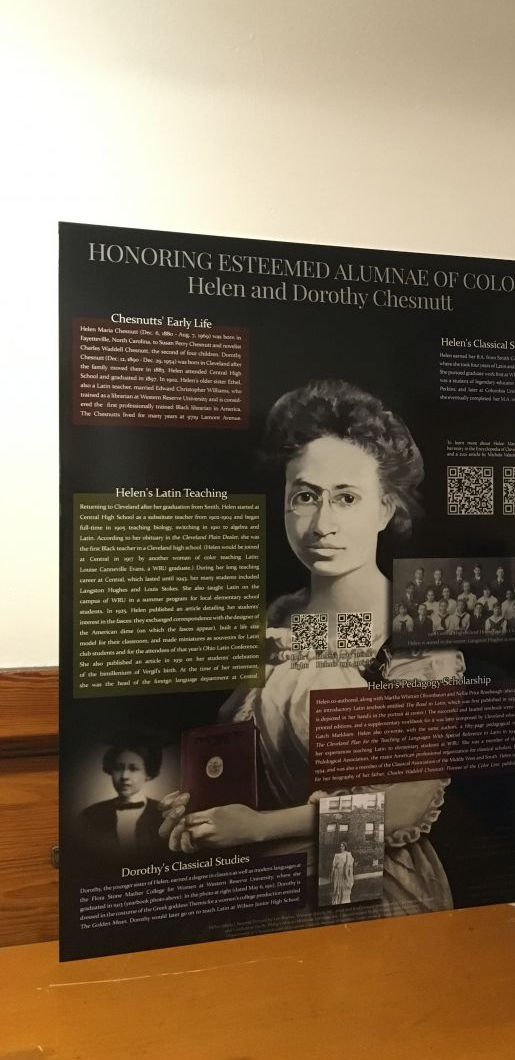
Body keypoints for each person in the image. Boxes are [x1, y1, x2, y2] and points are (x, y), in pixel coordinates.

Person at [162, 379, 463, 916]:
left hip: (368, 887)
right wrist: (198, 806)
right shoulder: (280, 619)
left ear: (385, 509)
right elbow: (236, 754)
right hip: (263, 889)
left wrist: (257, 828)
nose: (322, 525)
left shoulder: (415, 632)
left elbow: (404, 804)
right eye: (305, 496)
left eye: (347, 497)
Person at [79, 733, 169, 864]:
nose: (124, 776)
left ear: (148, 773)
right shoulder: (90, 815)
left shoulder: (165, 814)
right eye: (118, 768)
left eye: (133, 769)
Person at [330, 841, 354, 905]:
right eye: (340, 846)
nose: (341, 847)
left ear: (345, 847)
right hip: (337, 873)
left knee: (344, 887)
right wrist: (333, 872)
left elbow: (349, 865)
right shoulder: (336, 855)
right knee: (336, 888)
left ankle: (344, 900)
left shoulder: (348, 854)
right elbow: (333, 865)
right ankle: (337, 901)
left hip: (344, 872)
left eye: (342, 846)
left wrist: (346, 873)